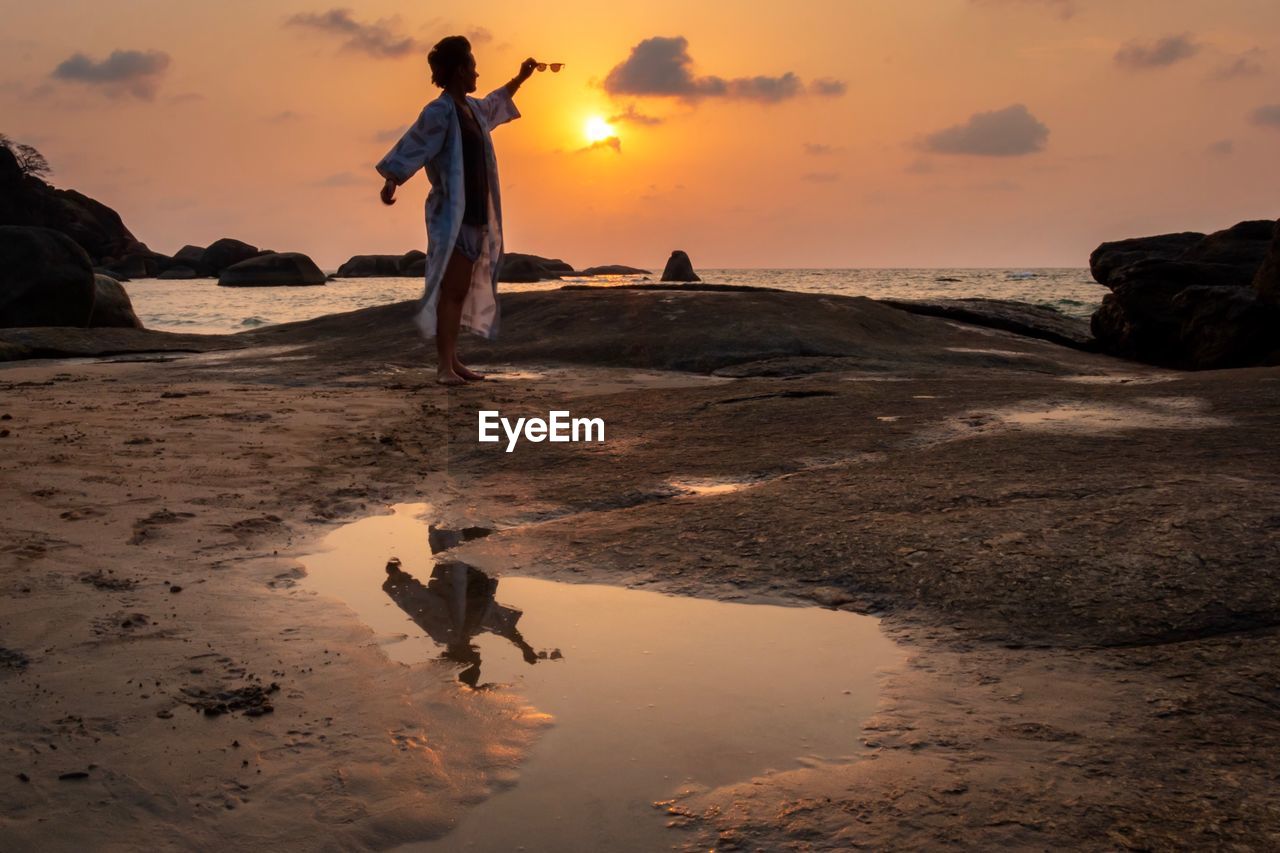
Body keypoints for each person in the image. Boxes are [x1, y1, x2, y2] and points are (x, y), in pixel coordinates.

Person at [377, 37, 537, 385]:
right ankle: (443, 368)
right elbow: (415, 142)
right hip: (453, 214)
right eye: (472, 66)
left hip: (477, 213)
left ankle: (453, 360)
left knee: (459, 291)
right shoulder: (440, 110)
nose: (477, 72)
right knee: (450, 291)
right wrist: (393, 179)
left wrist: (521, 78)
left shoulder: (472, 110)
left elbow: (496, 102)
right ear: (460, 70)